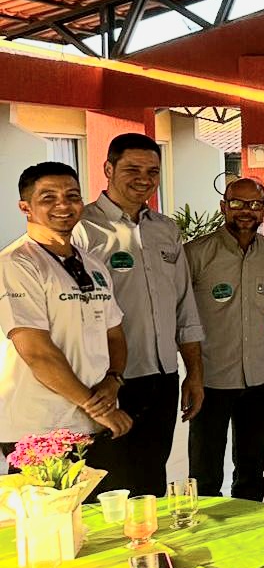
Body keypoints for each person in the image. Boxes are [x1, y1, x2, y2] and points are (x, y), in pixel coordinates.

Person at [75, 133, 203, 497]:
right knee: (108, 486)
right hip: (109, 381)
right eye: (132, 169)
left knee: (151, 480)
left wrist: (194, 373)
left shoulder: (165, 229)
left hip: (161, 377)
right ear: (108, 169)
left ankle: (150, 536)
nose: (143, 179)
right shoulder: (82, 228)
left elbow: (184, 305)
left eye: (153, 171)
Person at [1, 162, 131, 450]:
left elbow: (114, 334)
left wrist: (113, 380)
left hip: (95, 424)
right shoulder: (16, 263)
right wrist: (95, 406)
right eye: (48, 197)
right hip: (40, 430)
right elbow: (37, 352)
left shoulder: (93, 264)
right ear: (25, 207)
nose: (63, 205)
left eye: (72, 196)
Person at [184, 178, 264, 500]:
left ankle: (249, 523)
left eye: (255, 205)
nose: (246, 211)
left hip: (260, 378)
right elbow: (182, 316)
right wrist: (193, 374)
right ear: (223, 207)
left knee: (252, 468)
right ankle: (205, 526)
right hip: (211, 378)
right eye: (237, 203)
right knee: (205, 471)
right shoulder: (196, 254)